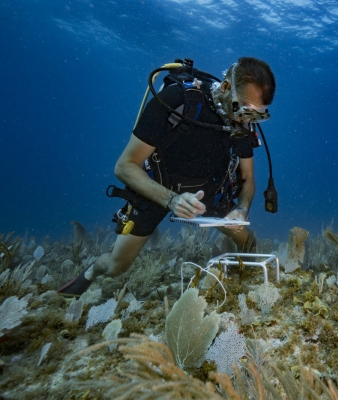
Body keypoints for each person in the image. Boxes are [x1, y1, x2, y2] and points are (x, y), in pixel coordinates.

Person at [57, 57, 276, 296]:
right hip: (157, 189)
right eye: (243, 108)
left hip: (210, 192)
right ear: (225, 88)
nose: (247, 119)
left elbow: (248, 178)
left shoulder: (243, 125)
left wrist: (242, 211)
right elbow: (124, 166)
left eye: (257, 115)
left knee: (246, 240)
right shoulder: (176, 101)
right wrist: (172, 200)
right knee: (115, 267)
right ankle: (92, 270)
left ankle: (246, 279)